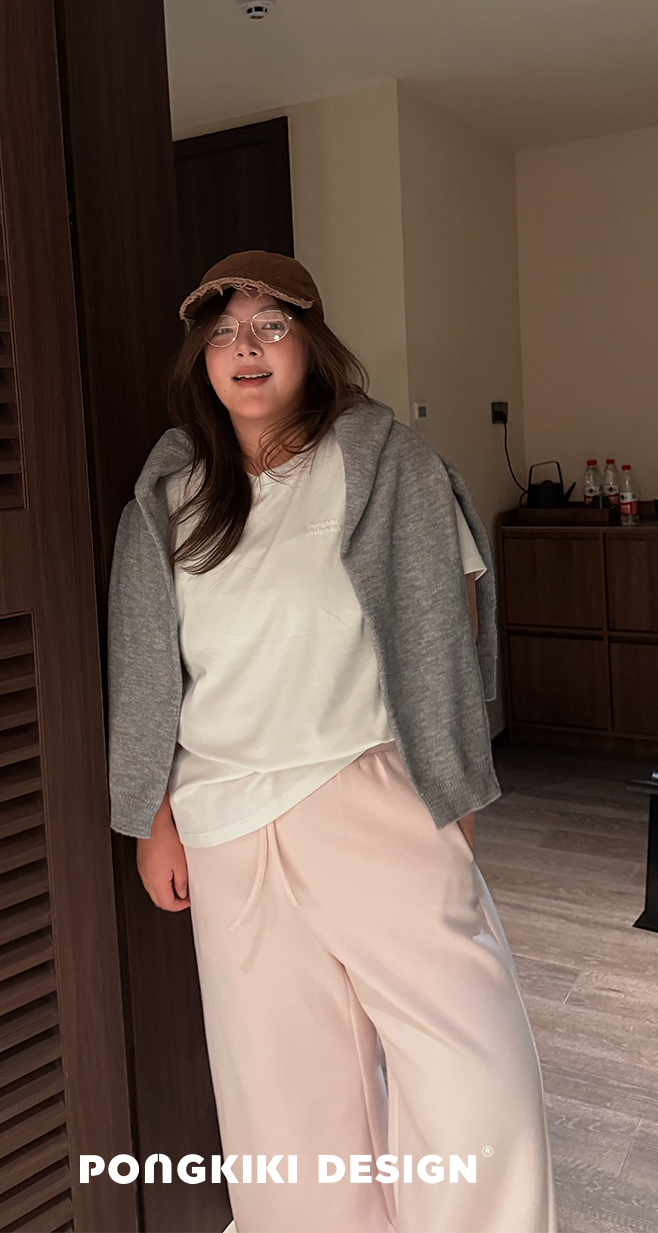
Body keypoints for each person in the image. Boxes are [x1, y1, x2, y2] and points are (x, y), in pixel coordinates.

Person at [106, 250, 556, 1232]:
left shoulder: (384, 464)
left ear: (310, 343)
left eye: (271, 325)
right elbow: (147, 665)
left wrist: (454, 788)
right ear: (201, 357)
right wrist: (152, 814)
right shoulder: (173, 493)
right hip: (227, 820)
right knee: (282, 1103)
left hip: (368, 790)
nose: (247, 348)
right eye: (223, 332)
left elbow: (449, 625)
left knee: (473, 1072)